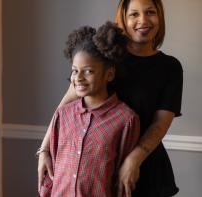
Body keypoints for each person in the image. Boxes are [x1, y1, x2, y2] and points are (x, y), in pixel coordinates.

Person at [37, 0, 183, 197]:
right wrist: (45, 149)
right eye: (134, 14)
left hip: (145, 166)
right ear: (123, 18)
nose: (143, 20)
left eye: (150, 12)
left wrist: (132, 161)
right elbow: (66, 106)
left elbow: (160, 124)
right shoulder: (106, 55)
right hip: (100, 168)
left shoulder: (170, 67)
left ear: (160, 17)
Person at [38, 21, 140, 197]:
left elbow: (121, 178)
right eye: (74, 71)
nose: (78, 78)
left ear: (109, 74)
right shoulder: (63, 115)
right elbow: (52, 170)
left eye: (88, 71)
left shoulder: (126, 120)